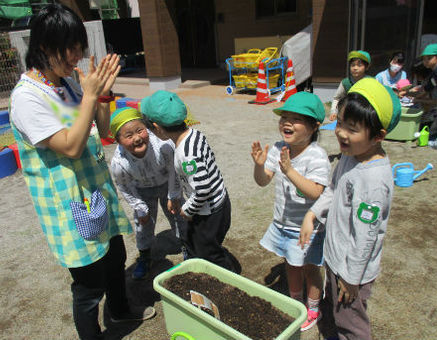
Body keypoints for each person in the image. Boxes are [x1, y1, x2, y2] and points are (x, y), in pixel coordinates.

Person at [9, 4, 155, 339]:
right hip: (70, 203)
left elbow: (102, 129)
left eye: (79, 47)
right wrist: (89, 93)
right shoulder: (27, 98)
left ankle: (118, 312)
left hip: (95, 191)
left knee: (115, 256)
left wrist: (102, 93)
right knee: (89, 282)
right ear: (45, 46)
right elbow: (71, 146)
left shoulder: (67, 84)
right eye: (70, 48)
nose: (77, 56)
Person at [299, 78, 401, 340]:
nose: (341, 132)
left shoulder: (374, 182)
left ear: (378, 136)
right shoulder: (351, 154)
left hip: (351, 270)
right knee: (337, 313)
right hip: (336, 260)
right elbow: (332, 189)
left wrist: (352, 278)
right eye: (341, 122)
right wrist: (312, 214)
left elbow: (366, 236)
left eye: (352, 128)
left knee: (351, 324)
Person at [251, 92, 331, 332]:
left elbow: (316, 192)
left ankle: (314, 306)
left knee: (309, 267)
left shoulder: (317, 155)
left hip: (306, 227)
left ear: (314, 126)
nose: (287, 122)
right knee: (290, 264)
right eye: (284, 116)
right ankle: (295, 302)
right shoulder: (278, 148)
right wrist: (258, 165)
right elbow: (263, 181)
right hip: (282, 223)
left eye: (296, 119)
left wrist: (290, 171)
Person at [140, 90, 235, 271]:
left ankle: (229, 280)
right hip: (219, 202)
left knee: (209, 254)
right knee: (198, 244)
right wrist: (175, 196)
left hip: (209, 212)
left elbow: (203, 188)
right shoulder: (194, 134)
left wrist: (188, 210)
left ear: (157, 128)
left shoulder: (186, 153)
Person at [109, 106, 186, 280]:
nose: (136, 138)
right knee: (143, 224)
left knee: (178, 214)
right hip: (142, 190)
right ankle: (144, 256)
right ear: (118, 141)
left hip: (167, 183)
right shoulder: (119, 163)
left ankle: (187, 247)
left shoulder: (163, 146)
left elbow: (174, 170)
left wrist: (173, 195)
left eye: (140, 131)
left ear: (147, 129)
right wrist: (139, 207)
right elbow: (125, 186)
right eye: (128, 136)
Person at [409, 43, 437, 150]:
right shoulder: (435, 71)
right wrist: (419, 94)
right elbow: (430, 85)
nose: (425, 61)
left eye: (428, 58)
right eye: (424, 59)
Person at [329, 50, 372, 121]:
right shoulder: (346, 82)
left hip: (366, 115)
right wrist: (333, 111)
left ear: (366, 67)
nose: (355, 68)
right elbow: (337, 98)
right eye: (353, 65)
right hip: (349, 114)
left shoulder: (371, 82)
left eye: (359, 65)